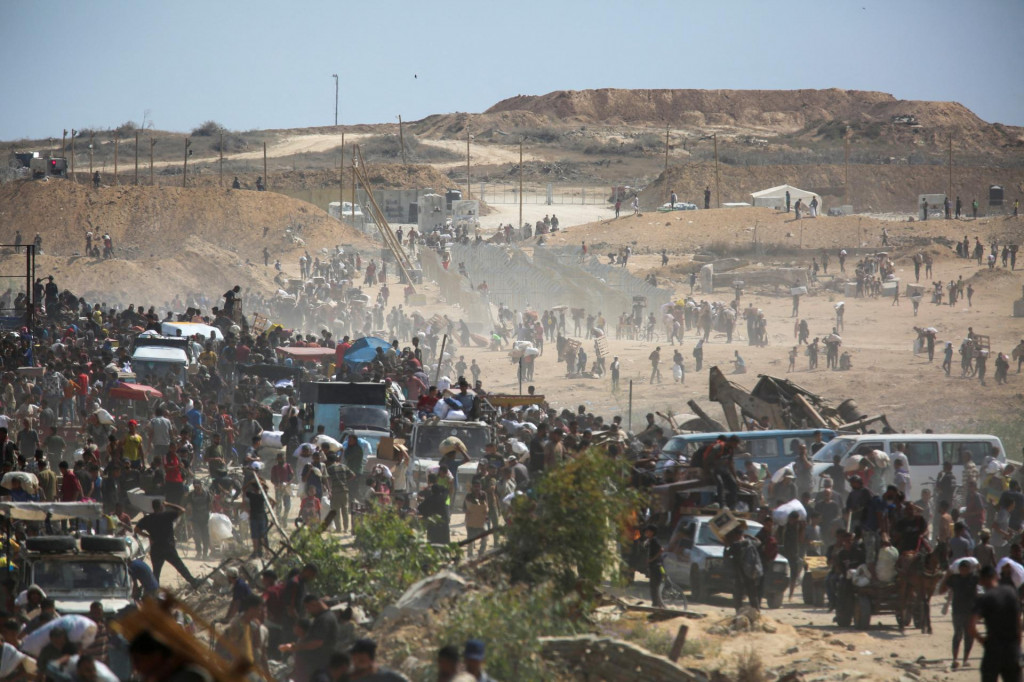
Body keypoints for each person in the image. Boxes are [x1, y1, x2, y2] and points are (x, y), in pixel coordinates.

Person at [969, 564, 1022, 681]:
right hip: (1012, 650)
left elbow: (971, 626)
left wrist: (983, 641)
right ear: (996, 576)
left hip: (993, 650)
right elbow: (1018, 623)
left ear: (981, 581)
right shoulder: (1011, 592)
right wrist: (1017, 648)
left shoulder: (984, 599)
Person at [134, 499, 201, 588]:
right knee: (180, 567)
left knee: (156, 572)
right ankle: (193, 582)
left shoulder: (147, 519)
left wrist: (148, 536)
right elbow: (182, 510)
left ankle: (154, 590)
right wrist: (169, 504)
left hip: (156, 549)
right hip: (168, 547)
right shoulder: (167, 515)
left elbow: (136, 530)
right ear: (161, 507)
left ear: (153, 508)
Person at [724, 525, 762, 611]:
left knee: (738, 596)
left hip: (739, 574)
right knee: (753, 595)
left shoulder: (735, 545)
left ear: (735, 535)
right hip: (751, 573)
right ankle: (756, 613)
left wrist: (726, 546)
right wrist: (749, 536)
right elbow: (759, 542)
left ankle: (739, 613)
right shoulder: (750, 542)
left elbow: (726, 556)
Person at [643, 524, 665, 608]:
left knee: (655, 586)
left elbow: (661, 550)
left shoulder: (655, 540)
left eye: (648, 531)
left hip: (657, 565)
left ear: (652, 532)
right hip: (652, 566)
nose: (646, 532)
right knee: (653, 586)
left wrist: (652, 559)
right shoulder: (649, 541)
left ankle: (657, 604)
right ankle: (656, 603)